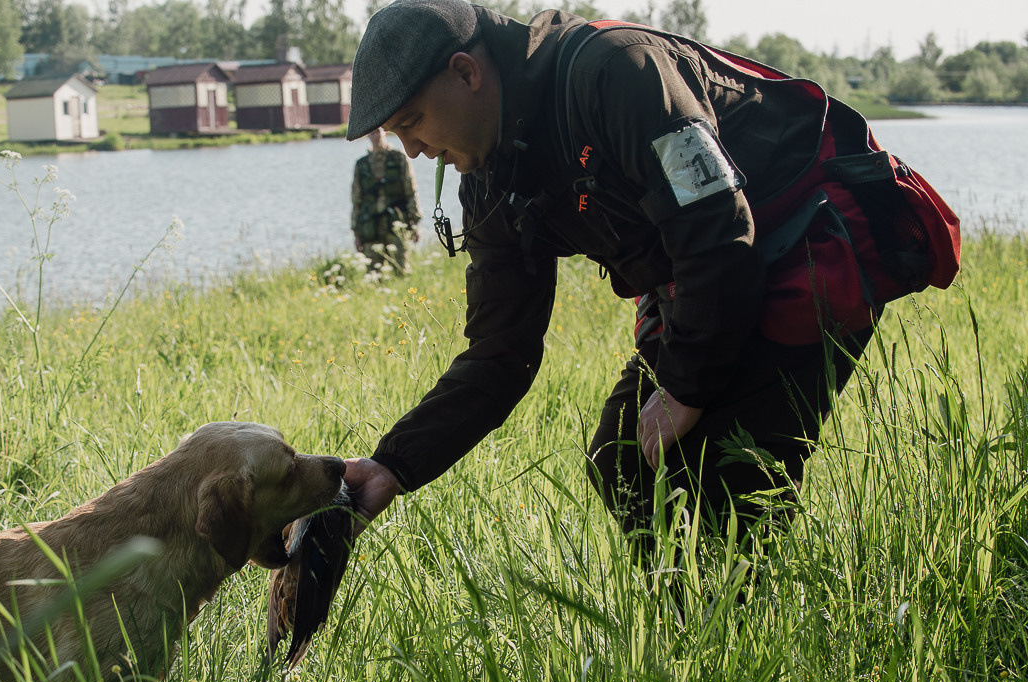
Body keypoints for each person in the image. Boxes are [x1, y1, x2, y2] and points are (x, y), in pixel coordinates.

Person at [338, 0, 956, 571]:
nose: (413, 150)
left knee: (724, 475)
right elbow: (501, 353)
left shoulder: (618, 72)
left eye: (413, 121)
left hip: (801, 242)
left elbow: (718, 229)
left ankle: (747, 650)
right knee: (624, 460)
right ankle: (689, 636)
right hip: (709, 274)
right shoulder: (488, 172)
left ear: (466, 72)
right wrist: (394, 465)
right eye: (398, 135)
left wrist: (688, 386)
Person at [351, 126, 422, 273]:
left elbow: (411, 192)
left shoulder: (399, 158)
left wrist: (415, 223)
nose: (375, 136)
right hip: (370, 226)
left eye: (378, 131)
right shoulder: (361, 165)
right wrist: (356, 232)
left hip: (396, 224)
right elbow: (356, 200)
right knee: (373, 273)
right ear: (367, 137)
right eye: (371, 133)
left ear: (386, 133)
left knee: (400, 270)